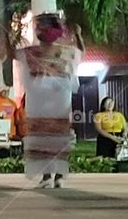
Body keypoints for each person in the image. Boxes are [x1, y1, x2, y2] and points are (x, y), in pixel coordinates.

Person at [11, 12, 84, 188]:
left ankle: (56, 176)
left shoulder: (64, 52)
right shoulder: (33, 52)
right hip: (41, 101)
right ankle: (48, 176)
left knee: (56, 137)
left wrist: (79, 36)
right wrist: (10, 39)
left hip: (56, 99)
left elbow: (79, 53)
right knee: (43, 137)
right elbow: (14, 54)